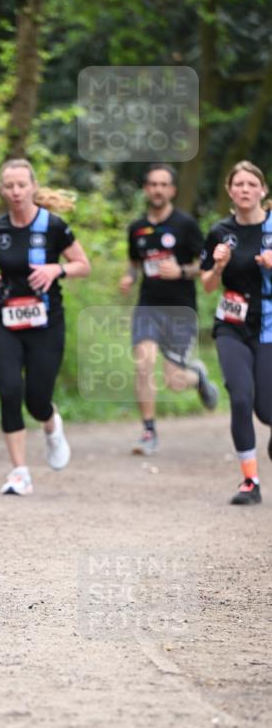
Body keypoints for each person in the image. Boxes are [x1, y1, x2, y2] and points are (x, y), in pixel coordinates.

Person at [0, 159, 90, 496]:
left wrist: (57, 270)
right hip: (6, 320)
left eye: (21, 185)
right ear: (2, 190)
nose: (15, 191)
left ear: (33, 187)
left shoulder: (53, 226)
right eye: (9, 186)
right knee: (10, 391)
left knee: (37, 400)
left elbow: (83, 265)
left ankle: (52, 426)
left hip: (46, 323)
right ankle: (19, 472)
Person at [120, 164, 219, 455]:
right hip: (148, 306)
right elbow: (135, 262)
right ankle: (148, 432)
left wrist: (181, 271)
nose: (158, 190)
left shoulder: (185, 224)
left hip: (180, 309)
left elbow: (207, 264)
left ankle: (197, 378)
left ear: (172, 190)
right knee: (143, 364)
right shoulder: (136, 228)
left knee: (174, 381)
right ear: (146, 189)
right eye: (153, 184)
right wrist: (129, 277)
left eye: (163, 185)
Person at [200, 160, 272, 506]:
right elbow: (207, 284)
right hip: (231, 323)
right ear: (229, 191)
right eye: (238, 184)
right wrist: (218, 266)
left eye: (251, 184)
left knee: (267, 411)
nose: (245, 189)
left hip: (269, 323)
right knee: (240, 397)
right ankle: (250, 480)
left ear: (263, 190)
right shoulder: (219, 231)